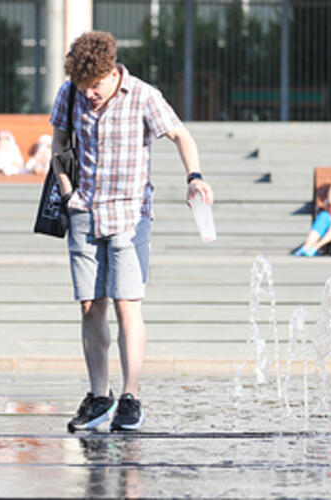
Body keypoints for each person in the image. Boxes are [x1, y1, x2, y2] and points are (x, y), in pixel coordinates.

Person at [49, 31, 213, 432]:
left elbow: (180, 134)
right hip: (85, 212)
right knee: (91, 306)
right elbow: (58, 144)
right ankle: (99, 396)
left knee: (127, 306)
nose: (89, 94)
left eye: (96, 86)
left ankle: (130, 397)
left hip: (130, 215)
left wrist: (194, 176)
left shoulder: (142, 95)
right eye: (83, 87)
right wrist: (68, 192)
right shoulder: (70, 92)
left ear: (112, 72)